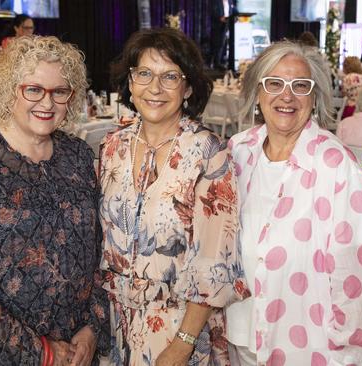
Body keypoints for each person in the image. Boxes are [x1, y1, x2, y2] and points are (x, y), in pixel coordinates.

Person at [0, 35, 110, 365]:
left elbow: (98, 253)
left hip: (73, 350)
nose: (47, 102)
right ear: (9, 89)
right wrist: (42, 352)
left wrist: (91, 328)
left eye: (60, 91)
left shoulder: (78, 156)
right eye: (34, 89)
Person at [227, 41, 362, 365]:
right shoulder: (238, 152)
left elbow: (358, 283)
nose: (287, 96)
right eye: (274, 83)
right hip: (238, 340)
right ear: (258, 93)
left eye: (300, 85)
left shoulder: (337, 168)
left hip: (307, 351)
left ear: (314, 98)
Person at [101, 27, 249, 366]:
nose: (155, 88)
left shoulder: (208, 153)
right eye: (144, 74)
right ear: (130, 82)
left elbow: (216, 259)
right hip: (116, 326)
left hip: (180, 330)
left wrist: (182, 344)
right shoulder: (111, 147)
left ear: (188, 88)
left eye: (170, 76)